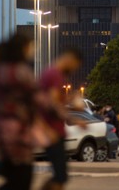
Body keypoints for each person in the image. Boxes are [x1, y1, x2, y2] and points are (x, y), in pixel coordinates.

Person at [0, 34, 36, 190]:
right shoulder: (18, 71)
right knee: (22, 178)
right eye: (29, 46)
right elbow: (34, 97)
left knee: (17, 178)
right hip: (15, 133)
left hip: (2, 131)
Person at [39, 46, 84, 190]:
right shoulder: (54, 74)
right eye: (75, 66)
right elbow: (52, 103)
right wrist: (74, 119)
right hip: (52, 131)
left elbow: (55, 102)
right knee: (60, 176)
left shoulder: (52, 73)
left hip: (53, 130)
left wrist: (70, 100)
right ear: (70, 59)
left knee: (60, 175)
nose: (74, 69)